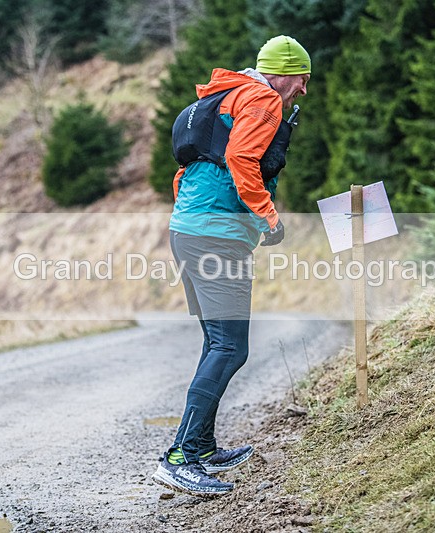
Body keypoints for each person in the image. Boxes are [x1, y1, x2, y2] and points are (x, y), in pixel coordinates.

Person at [152, 35, 311, 497]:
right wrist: (268, 216)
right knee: (230, 348)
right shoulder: (262, 99)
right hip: (215, 238)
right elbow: (243, 159)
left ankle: (199, 445)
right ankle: (179, 458)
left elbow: (187, 170)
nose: (303, 90)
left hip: (189, 231)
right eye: (302, 78)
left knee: (215, 342)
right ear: (284, 72)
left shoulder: (229, 94)